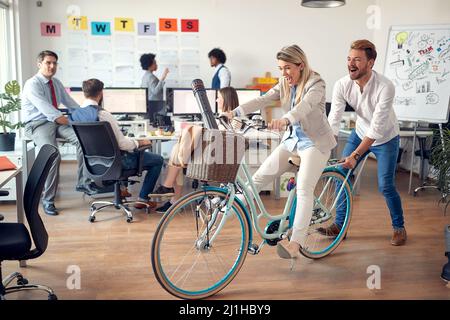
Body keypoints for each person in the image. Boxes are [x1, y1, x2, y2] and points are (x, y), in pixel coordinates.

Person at [225, 45, 336, 260]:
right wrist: (234, 112)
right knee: (258, 179)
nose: (284, 73)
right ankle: (227, 211)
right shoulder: (285, 83)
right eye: (280, 68)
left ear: (300, 65)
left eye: (287, 68)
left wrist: (286, 119)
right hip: (292, 141)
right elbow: (263, 99)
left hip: (315, 143)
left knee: (304, 189)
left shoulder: (317, 84)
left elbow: (304, 107)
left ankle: (296, 243)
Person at [327, 39, 407, 246]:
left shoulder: (385, 87)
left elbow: (377, 128)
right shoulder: (342, 84)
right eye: (349, 59)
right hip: (360, 132)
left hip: (386, 138)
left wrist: (354, 156)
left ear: (370, 63)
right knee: (340, 175)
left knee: (385, 185)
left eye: (357, 60)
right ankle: (339, 226)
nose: (351, 64)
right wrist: (326, 145)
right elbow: (334, 119)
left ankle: (399, 228)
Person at [73, 78, 164, 209]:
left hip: (93, 163)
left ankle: (121, 189)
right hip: (117, 163)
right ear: (100, 93)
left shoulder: (76, 114)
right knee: (158, 160)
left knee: (120, 151)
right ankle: (143, 198)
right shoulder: (103, 114)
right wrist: (140, 142)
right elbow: (122, 144)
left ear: (84, 93)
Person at [150, 87, 242, 213]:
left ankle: (170, 191)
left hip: (217, 157)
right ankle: (172, 196)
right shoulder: (221, 117)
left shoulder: (236, 119)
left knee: (183, 146)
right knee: (178, 152)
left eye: (219, 98)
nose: (216, 100)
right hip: (210, 152)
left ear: (226, 100)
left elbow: (227, 139)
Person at [22, 50, 91, 216]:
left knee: (85, 140)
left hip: (55, 121)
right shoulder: (32, 84)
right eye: (48, 63)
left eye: (54, 63)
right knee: (53, 155)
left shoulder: (57, 83)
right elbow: (49, 111)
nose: (52, 66)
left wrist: (90, 113)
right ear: (39, 64)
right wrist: (72, 121)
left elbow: (71, 104)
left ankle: (82, 182)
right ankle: (48, 200)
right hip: (37, 124)